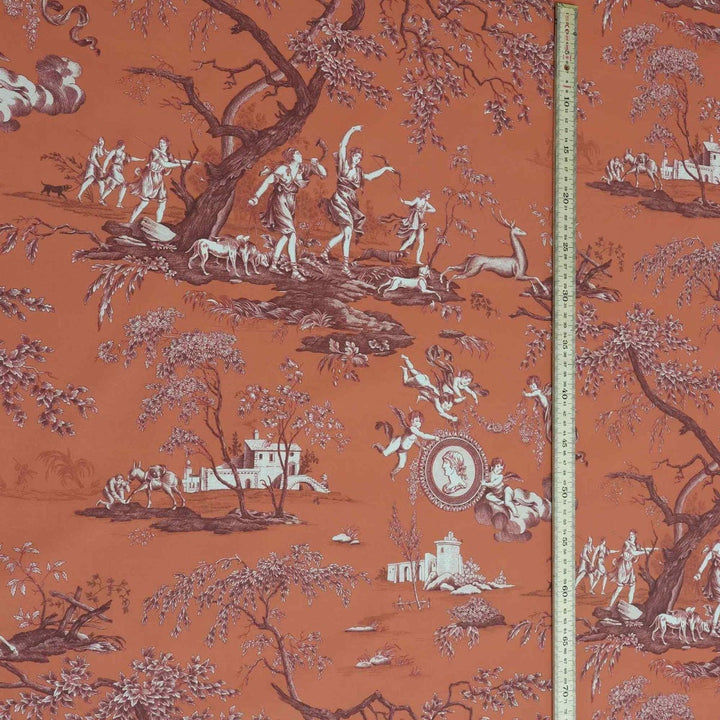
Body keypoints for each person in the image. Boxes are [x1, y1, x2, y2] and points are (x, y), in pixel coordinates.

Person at [320, 125, 396, 276]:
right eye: (356, 156)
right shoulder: (344, 165)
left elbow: (370, 177)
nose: (357, 159)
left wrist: (385, 169)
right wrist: (352, 130)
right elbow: (342, 145)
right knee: (348, 231)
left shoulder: (359, 171)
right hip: (340, 199)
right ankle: (345, 267)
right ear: (351, 155)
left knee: (345, 233)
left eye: (360, 158)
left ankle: (325, 251)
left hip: (351, 202)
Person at [249, 147, 326, 282]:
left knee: (286, 235)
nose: (301, 155)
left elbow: (324, 174)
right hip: (279, 200)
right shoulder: (283, 169)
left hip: (291, 202)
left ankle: (273, 265)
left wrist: (317, 164)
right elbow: (267, 181)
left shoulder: (302, 168)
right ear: (291, 157)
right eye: (297, 153)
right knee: (292, 234)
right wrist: (256, 197)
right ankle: (294, 271)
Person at [128, 137, 195, 224]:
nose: (161, 144)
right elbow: (164, 164)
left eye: (163, 143)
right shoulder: (155, 151)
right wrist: (180, 165)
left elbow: (175, 161)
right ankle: (130, 221)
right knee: (144, 203)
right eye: (160, 142)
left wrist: (191, 162)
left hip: (159, 178)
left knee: (162, 203)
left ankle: (158, 224)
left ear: (167, 144)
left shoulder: (168, 155)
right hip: (150, 177)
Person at [373, 409, 438, 479]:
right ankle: (378, 445)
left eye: (419, 421)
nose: (418, 423)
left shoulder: (416, 431)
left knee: (401, 465)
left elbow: (414, 439)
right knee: (385, 453)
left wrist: (421, 446)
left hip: (403, 450)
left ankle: (393, 473)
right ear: (411, 421)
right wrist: (434, 437)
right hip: (398, 443)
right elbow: (423, 436)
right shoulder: (413, 429)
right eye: (415, 421)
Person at [608, 529, 654, 607]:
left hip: (629, 566)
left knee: (632, 586)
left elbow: (642, 549)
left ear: (635, 536)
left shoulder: (636, 545)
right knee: (619, 588)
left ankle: (630, 605)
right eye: (630, 535)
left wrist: (653, 549)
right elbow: (633, 553)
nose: (630, 536)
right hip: (623, 566)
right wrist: (644, 552)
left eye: (632, 535)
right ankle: (610, 605)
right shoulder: (627, 543)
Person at [100, 140, 143, 208]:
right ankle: (119, 203)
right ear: (121, 145)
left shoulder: (124, 153)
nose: (124, 146)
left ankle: (101, 199)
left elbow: (131, 158)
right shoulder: (114, 151)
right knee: (124, 184)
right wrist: (104, 169)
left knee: (112, 186)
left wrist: (140, 159)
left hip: (119, 170)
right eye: (123, 145)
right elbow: (107, 159)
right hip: (114, 168)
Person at [397, 190, 435, 264]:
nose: (429, 197)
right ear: (425, 195)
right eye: (428, 195)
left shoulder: (426, 203)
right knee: (411, 241)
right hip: (415, 222)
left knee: (420, 242)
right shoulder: (418, 199)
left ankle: (417, 260)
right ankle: (398, 254)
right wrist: (404, 201)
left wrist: (425, 210)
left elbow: (434, 210)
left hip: (420, 223)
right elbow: (411, 203)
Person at [694, 533, 720, 635]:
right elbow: (707, 558)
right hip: (717, 575)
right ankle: (713, 628)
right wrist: (699, 572)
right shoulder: (717, 546)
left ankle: (715, 627)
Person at [77, 137, 106, 202]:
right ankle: (79, 195)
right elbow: (92, 158)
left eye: (102, 140)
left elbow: (107, 154)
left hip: (97, 166)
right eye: (99, 141)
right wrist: (99, 166)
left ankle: (101, 199)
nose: (100, 142)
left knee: (101, 182)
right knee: (91, 179)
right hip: (92, 164)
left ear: (104, 141)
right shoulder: (95, 148)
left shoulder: (102, 149)